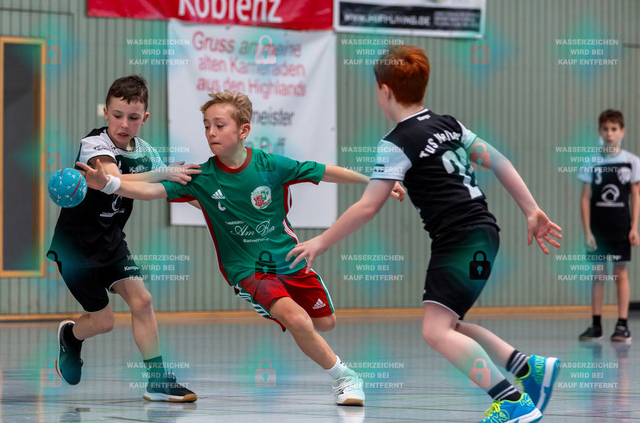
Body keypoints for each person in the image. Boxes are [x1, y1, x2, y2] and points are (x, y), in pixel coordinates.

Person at [286, 46, 563, 422]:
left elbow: (368, 206)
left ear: (384, 91)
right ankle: (528, 368)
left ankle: (511, 400)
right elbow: (498, 161)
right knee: (448, 326)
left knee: (436, 331)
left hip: (459, 241)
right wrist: (531, 210)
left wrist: (320, 241)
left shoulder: (396, 142)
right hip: (484, 233)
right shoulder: (449, 124)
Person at [76, 90, 406, 406]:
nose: (211, 132)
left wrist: (374, 183)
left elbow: (325, 171)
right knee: (297, 320)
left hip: (290, 261)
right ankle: (346, 378)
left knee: (325, 323)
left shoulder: (270, 165)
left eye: (219, 125)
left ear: (243, 130)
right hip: (248, 271)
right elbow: (150, 192)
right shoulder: (202, 177)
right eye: (207, 126)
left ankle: (291, 319)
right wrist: (109, 184)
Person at [47, 75, 200, 402]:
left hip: (112, 241)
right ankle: (71, 337)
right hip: (75, 248)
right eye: (117, 115)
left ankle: (157, 381)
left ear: (145, 118)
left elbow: (173, 188)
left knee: (143, 301)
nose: (124, 124)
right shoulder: (95, 144)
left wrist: (218, 206)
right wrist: (164, 173)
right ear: (106, 113)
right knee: (104, 322)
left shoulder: (145, 153)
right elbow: (115, 179)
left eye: (133, 117)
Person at [578, 109, 639, 343]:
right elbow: (585, 198)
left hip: (621, 228)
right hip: (598, 230)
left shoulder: (632, 162)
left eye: (614, 129)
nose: (609, 133)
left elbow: (636, 196)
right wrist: (587, 232)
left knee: (620, 274)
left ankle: (622, 325)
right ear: (599, 131)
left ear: (622, 132)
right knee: (598, 274)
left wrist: (634, 227)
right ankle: (596, 325)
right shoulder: (591, 161)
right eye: (605, 129)